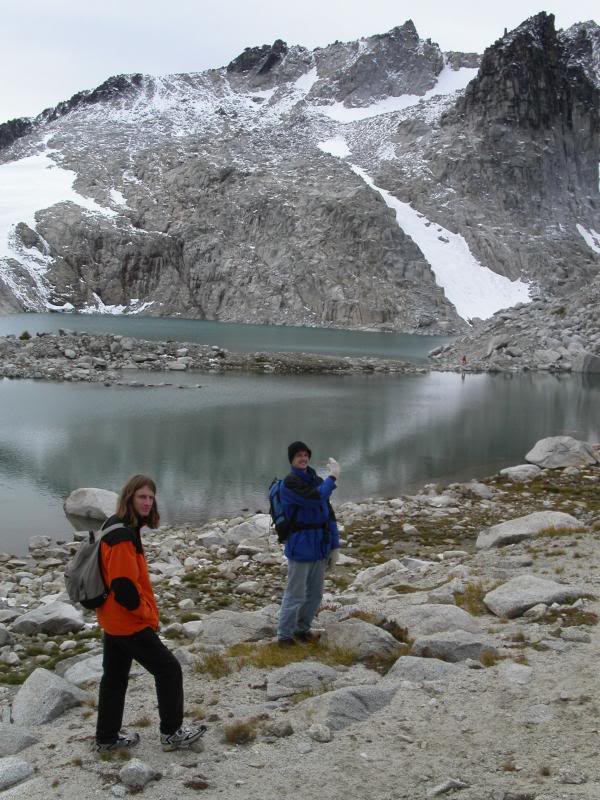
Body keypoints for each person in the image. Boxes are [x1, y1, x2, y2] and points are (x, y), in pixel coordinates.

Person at [95, 474, 206, 752]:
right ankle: (172, 733)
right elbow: (123, 587)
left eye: (151, 497)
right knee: (168, 669)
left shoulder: (117, 525)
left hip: (112, 618)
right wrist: (146, 613)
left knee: (115, 678)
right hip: (127, 621)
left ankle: (106, 739)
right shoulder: (122, 536)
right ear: (129, 497)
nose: (147, 502)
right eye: (142, 497)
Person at [277, 441, 340, 647]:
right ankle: (284, 636)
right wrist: (332, 478)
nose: (303, 459)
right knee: (295, 594)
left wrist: (334, 546)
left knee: (315, 594)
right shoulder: (290, 483)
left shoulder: (316, 480)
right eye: (298, 456)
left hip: (319, 547)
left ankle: (301, 629)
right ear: (292, 461)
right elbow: (314, 500)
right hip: (301, 546)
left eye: (305, 455)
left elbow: (328, 514)